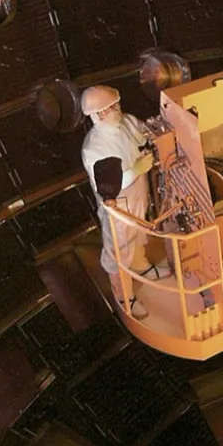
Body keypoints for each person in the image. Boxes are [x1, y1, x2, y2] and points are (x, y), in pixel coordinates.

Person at [79, 86, 163, 300]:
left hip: (138, 193)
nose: (118, 109)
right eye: (112, 107)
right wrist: (137, 169)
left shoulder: (127, 122)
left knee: (138, 232)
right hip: (118, 205)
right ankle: (125, 297)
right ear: (98, 115)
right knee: (118, 248)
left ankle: (140, 264)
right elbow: (109, 185)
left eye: (116, 104)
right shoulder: (94, 148)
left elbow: (145, 133)